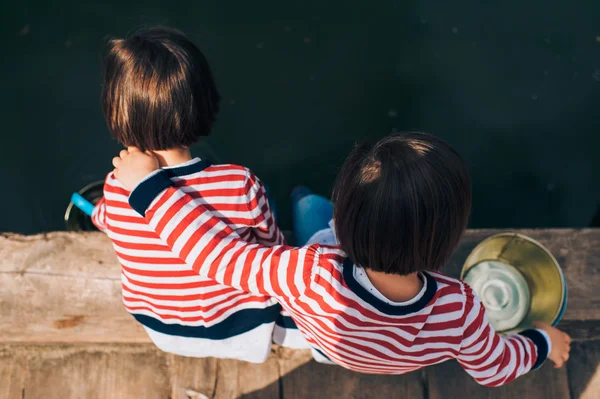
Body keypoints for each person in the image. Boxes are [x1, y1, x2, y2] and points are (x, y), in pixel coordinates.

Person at [112, 132, 571, 386]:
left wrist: (149, 188)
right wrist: (543, 343)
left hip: (327, 345)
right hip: (380, 357)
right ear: (448, 237)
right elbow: (494, 367)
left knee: (308, 207)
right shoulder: (460, 306)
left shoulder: (310, 272)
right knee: (310, 209)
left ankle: (302, 195)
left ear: (347, 218)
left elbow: (219, 258)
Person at [91, 26, 306, 363]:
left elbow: (103, 218)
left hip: (164, 331)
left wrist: (100, 215)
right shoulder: (239, 183)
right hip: (244, 326)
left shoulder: (115, 186)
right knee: (283, 208)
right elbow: (271, 249)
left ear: (116, 112)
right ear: (204, 102)